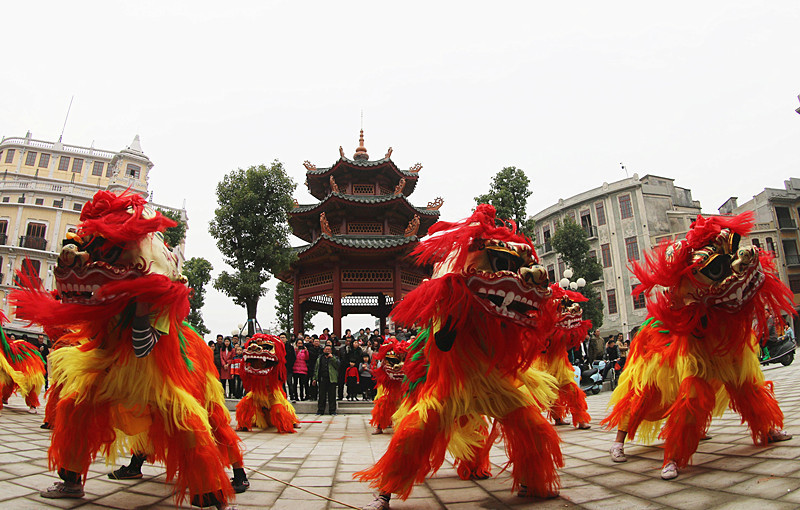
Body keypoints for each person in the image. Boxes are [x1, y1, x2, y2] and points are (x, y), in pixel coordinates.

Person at [312, 345, 339, 415]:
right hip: (322, 379)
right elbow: (316, 369)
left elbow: (338, 366)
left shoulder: (335, 358)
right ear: (323, 350)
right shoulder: (320, 358)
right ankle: (320, 411)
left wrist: (332, 358)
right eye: (326, 349)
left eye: (329, 350)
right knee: (321, 396)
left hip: (331, 379)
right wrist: (314, 378)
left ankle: (332, 411)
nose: (327, 351)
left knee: (332, 396)